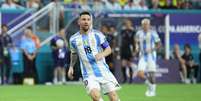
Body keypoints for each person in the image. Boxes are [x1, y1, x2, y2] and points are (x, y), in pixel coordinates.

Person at [68, 11, 121, 101]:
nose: (86, 22)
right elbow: (73, 53)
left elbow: (108, 49)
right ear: (79, 22)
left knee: (114, 98)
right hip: (88, 73)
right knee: (95, 96)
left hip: (103, 71)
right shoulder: (73, 39)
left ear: (91, 22)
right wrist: (71, 67)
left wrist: (102, 54)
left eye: (88, 20)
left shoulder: (98, 35)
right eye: (83, 19)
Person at [135, 18, 161, 97]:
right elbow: (136, 40)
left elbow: (159, 45)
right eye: (144, 24)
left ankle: (152, 91)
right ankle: (150, 87)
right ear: (142, 25)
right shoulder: (139, 33)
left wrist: (152, 49)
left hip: (151, 56)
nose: (145, 26)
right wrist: (136, 46)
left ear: (149, 25)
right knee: (140, 73)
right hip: (142, 55)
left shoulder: (153, 33)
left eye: (147, 24)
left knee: (152, 74)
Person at [120, 19, 136, 83]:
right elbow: (121, 39)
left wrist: (134, 50)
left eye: (128, 23)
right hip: (123, 48)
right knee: (123, 64)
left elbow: (134, 41)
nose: (127, 24)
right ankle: (124, 79)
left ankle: (131, 79)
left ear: (131, 24)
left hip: (129, 49)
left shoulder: (133, 31)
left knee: (129, 64)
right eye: (126, 23)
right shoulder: (122, 31)